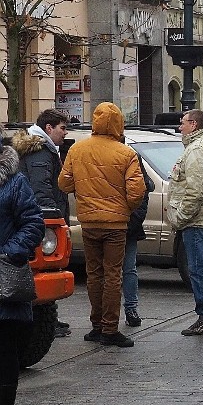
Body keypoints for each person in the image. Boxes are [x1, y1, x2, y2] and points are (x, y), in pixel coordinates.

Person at [59, 103, 146, 348]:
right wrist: (126, 208)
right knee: (113, 274)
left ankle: (96, 326)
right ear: (118, 123)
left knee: (94, 274)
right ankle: (110, 328)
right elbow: (136, 191)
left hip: (89, 222)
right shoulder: (125, 153)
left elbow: (64, 184)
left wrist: (85, 194)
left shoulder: (78, 149)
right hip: (116, 224)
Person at [0, 127, 45, 405]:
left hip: (3, 283)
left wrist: (9, 253)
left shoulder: (14, 182)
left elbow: (33, 223)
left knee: (4, 354)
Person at [11, 108, 72, 337]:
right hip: (41, 223)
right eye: (62, 128)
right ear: (49, 128)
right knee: (39, 270)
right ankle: (43, 321)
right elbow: (41, 189)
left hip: (33, 221)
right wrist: (51, 217)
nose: (65, 133)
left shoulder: (40, 148)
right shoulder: (40, 152)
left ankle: (46, 319)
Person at [168, 110, 203, 336]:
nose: (179, 127)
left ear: (193, 124)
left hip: (197, 220)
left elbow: (195, 190)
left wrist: (181, 217)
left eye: (182, 123)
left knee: (200, 269)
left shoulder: (197, 149)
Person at [122, 154, 154, 328]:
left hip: (126, 224)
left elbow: (143, 190)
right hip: (116, 222)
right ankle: (105, 315)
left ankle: (130, 309)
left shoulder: (131, 157)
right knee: (119, 271)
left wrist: (134, 221)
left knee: (127, 269)